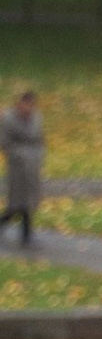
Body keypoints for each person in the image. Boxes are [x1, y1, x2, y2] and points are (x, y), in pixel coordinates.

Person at [2, 89, 41, 250]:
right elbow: (4, 142)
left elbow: (40, 139)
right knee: (16, 204)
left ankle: (26, 236)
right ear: (20, 104)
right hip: (17, 166)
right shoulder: (8, 119)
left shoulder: (37, 118)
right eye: (26, 104)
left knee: (28, 202)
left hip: (32, 165)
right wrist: (19, 155)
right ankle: (26, 236)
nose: (28, 108)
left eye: (31, 105)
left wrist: (38, 157)